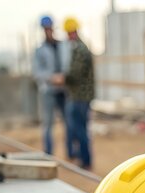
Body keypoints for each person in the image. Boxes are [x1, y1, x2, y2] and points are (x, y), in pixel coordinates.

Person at [52, 17, 95, 170]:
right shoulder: (79, 48)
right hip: (79, 96)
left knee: (80, 129)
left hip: (80, 97)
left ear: (72, 32)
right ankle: (83, 158)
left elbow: (75, 75)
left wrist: (61, 78)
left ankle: (86, 160)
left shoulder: (80, 50)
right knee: (80, 128)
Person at [32, 15, 74, 157]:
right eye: (46, 29)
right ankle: (48, 153)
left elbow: (68, 64)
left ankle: (71, 152)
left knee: (68, 122)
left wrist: (64, 76)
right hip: (48, 91)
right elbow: (37, 72)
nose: (48, 31)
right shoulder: (39, 50)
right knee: (48, 124)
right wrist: (51, 78)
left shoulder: (63, 46)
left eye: (49, 28)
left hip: (63, 90)